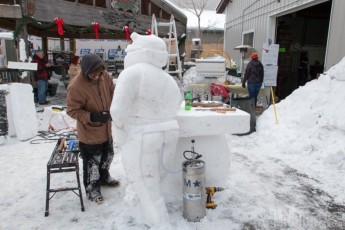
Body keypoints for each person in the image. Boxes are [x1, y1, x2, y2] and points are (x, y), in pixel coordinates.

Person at [110, 32, 181, 227]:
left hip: (144, 137)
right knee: (155, 183)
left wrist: (120, 128)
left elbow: (117, 110)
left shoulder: (133, 73)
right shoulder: (168, 79)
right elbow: (176, 105)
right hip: (169, 134)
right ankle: (144, 215)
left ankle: (160, 224)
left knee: (147, 188)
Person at [66, 53, 119, 204]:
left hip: (106, 129)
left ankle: (104, 177)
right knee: (92, 164)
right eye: (93, 74)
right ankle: (92, 188)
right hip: (89, 132)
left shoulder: (104, 76)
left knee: (107, 156)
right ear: (86, 70)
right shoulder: (76, 86)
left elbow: (113, 90)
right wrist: (92, 116)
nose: (97, 76)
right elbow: (71, 110)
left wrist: (117, 104)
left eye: (99, 72)